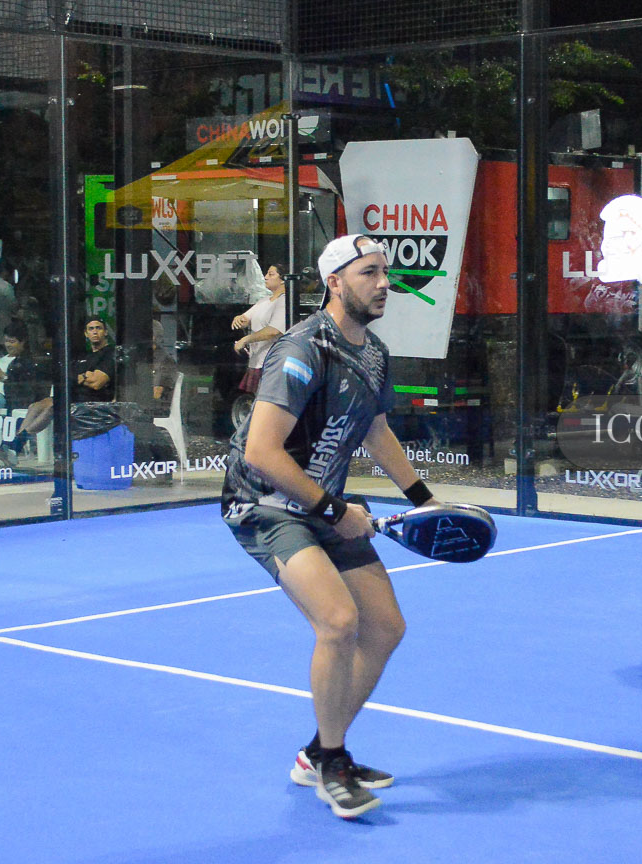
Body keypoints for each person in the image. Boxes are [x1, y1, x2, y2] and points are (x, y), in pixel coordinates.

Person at [221, 235, 437, 820]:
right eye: (369, 273)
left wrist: (422, 498)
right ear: (335, 282)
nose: (384, 283)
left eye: (385, 272)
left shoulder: (375, 353)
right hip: (263, 503)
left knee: (385, 627)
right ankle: (334, 765)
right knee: (338, 621)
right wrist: (336, 512)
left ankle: (317, 752)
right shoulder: (301, 349)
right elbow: (262, 451)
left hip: (321, 503)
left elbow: (376, 431)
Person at [0, 320, 48, 467]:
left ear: (23, 342)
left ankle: (5, 447)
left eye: (12, 341)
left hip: (8, 398)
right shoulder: (4, 359)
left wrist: (4, 378)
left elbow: (26, 389)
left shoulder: (28, 363)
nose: (8, 345)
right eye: (6, 341)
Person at [231, 263, 287, 394]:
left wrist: (245, 339)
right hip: (256, 361)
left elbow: (273, 330)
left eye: (271, 274)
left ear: (283, 280)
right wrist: (239, 319)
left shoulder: (283, 301)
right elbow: (245, 319)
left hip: (272, 362)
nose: (265, 277)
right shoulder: (264, 301)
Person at [74, 317, 114, 402]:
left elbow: (97, 383)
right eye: (91, 329)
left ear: (106, 332)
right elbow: (67, 379)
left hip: (99, 404)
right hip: (75, 402)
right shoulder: (82, 356)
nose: (95, 332)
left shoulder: (111, 353)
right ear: (86, 334)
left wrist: (80, 377)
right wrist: (85, 376)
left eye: (98, 328)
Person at [151, 318, 179, 415]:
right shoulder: (140, 359)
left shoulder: (166, 361)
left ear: (154, 337)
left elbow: (157, 394)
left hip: (158, 411)